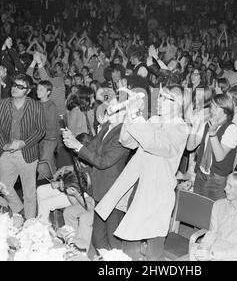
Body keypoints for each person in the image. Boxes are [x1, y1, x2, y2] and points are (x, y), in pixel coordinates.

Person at [95, 85, 189, 261]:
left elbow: (158, 146)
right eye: (159, 96)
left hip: (157, 193)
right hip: (138, 187)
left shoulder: (180, 127)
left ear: (177, 104)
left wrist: (137, 118)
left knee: (153, 250)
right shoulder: (154, 119)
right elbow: (128, 142)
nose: (158, 101)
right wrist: (130, 115)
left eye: (163, 98)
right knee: (129, 242)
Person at [62, 98, 132, 253]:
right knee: (98, 236)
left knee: (112, 236)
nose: (109, 110)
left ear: (124, 113)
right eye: (110, 107)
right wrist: (72, 140)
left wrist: (78, 146)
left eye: (115, 108)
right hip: (99, 188)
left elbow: (103, 162)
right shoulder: (107, 126)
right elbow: (90, 148)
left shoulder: (124, 133)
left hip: (113, 190)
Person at [0, 74, 45, 219]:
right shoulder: (3, 104)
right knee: (3, 187)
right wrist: (4, 145)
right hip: (6, 153)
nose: (15, 88)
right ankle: (20, 210)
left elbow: (41, 131)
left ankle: (30, 224)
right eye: (14, 85)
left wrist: (23, 143)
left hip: (27, 153)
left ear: (27, 90)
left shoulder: (36, 106)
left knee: (29, 193)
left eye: (20, 87)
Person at [190, 171, 237, 261]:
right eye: (226, 184)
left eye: (230, 186)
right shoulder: (218, 205)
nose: (225, 189)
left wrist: (212, 255)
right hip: (212, 250)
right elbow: (212, 232)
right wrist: (203, 248)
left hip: (231, 257)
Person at [187, 93, 237, 201]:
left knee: (214, 212)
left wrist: (212, 133)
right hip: (200, 174)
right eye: (211, 106)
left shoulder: (232, 129)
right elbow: (190, 147)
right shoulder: (208, 124)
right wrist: (194, 127)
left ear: (226, 110)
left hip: (217, 179)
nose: (212, 109)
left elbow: (220, 156)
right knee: (197, 208)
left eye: (216, 107)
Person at [36, 80, 59, 180]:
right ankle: (56, 181)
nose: (38, 91)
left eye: (41, 89)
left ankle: (39, 188)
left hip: (50, 138)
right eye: (37, 89)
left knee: (42, 166)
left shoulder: (51, 106)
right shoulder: (36, 104)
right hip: (39, 138)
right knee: (49, 163)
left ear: (48, 92)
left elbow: (51, 125)